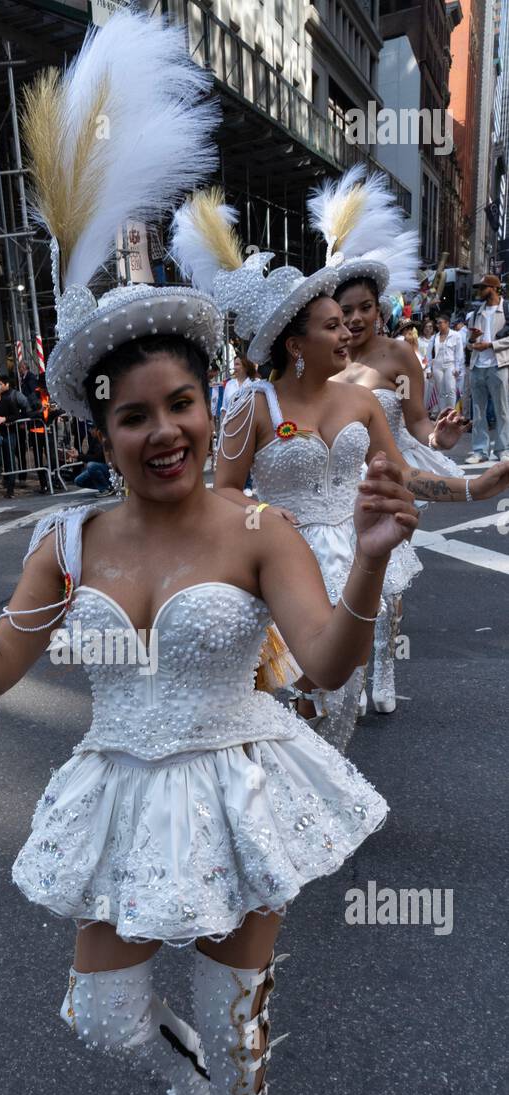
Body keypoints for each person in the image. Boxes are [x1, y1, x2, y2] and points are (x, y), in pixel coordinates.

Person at [0, 8, 421, 1095]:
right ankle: (184, 1086)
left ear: (200, 402)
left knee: (239, 1009)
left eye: (181, 404)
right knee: (108, 1017)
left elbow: (325, 664)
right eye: (134, 416)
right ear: (99, 430)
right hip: (120, 785)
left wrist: (375, 562)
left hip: (235, 775)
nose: (163, 431)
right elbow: (3, 671)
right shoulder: (65, 541)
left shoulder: (255, 527)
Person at [173, 173, 509, 749]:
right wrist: (262, 516)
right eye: (332, 326)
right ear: (295, 345)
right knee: (292, 705)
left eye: (348, 321)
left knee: (339, 702)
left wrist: (477, 489)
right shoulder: (253, 407)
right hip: (283, 565)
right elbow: (222, 490)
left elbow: (401, 477)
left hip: (355, 561)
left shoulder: (359, 401)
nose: (347, 334)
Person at [464, 274, 509, 463]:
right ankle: (480, 451)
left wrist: (490, 345)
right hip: (477, 365)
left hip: (498, 365)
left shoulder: (506, 309)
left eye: (483, 288)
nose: (479, 292)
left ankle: (503, 449)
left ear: (493, 288)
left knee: (502, 410)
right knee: (478, 411)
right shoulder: (475, 313)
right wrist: (473, 340)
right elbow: (468, 344)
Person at [428, 312, 464, 413]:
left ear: (447, 323)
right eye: (437, 323)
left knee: (451, 389)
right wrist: (429, 368)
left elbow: (459, 353)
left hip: (450, 364)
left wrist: (457, 368)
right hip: (437, 365)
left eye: (440, 323)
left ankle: (452, 413)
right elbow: (429, 355)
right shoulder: (434, 337)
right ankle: (443, 413)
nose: (438, 325)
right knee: (441, 391)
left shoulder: (456, 335)